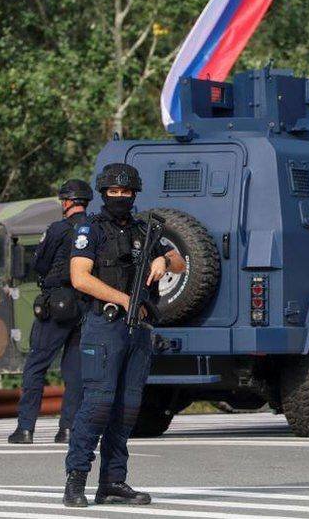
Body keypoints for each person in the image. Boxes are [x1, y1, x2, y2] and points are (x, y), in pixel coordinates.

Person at [62, 163, 186, 507]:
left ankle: (113, 481)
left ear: (134, 195)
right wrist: (123, 299)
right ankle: (76, 480)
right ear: (104, 194)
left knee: (127, 409)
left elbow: (180, 262)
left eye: (125, 192)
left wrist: (164, 261)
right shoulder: (91, 229)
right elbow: (79, 277)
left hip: (139, 330)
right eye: (113, 193)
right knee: (98, 404)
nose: (119, 197)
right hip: (105, 325)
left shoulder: (144, 230)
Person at [8, 179, 93, 445]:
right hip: (86, 304)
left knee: (36, 366)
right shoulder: (97, 228)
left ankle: (25, 429)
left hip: (57, 305)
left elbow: (40, 264)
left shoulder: (57, 229)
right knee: (75, 371)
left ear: (67, 202)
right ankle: (67, 429)